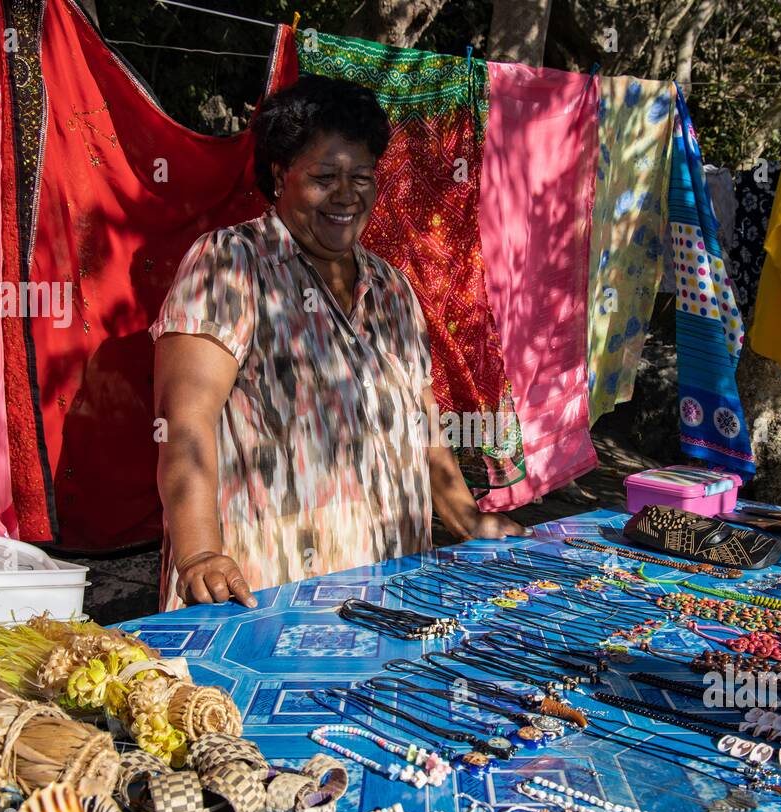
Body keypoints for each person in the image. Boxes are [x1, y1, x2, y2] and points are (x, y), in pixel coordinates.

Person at [151, 76, 528, 611]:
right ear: (280, 176)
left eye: (362, 177)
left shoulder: (393, 288)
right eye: (325, 177)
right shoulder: (231, 264)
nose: (346, 195)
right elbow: (185, 422)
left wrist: (465, 518)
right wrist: (199, 555)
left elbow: (420, 421)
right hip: (265, 585)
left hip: (390, 576)